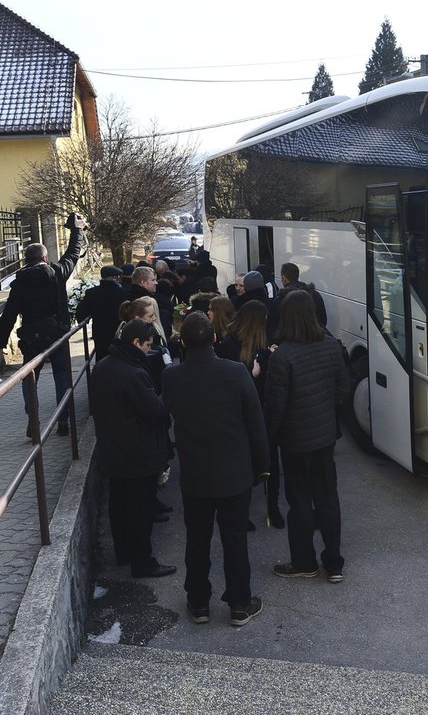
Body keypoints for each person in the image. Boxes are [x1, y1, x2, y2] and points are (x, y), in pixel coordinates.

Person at [161, 312, 268, 626]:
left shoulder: (171, 377)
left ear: (182, 343)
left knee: (197, 540)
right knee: (235, 540)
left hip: (195, 474)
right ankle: (239, 603)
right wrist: (263, 467)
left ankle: (198, 603)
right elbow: (255, 422)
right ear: (215, 339)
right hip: (234, 473)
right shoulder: (236, 372)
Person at [264, 290, 350, 583]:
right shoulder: (330, 345)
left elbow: (275, 405)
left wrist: (268, 440)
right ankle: (334, 562)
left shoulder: (282, 355)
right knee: (328, 499)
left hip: (295, 441)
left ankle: (304, 561)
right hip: (325, 437)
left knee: (300, 502)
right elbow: (342, 390)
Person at [90, 319, 175, 579]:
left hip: (112, 449)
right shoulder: (134, 373)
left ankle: (124, 552)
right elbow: (156, 410)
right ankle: (142, 562)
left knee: (119, 505)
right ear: (136, 342)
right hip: (138, 453)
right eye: (148, 345)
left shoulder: (103, 366)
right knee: (140, 510)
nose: (150, 350)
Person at [0, 214, 85, 437]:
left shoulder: (19, 283)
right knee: (62, 375)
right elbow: (73, 254)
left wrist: (1, 341)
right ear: (45, 257)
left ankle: (33, 422)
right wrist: (77, 230)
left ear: (26, 259)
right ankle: (62, 420)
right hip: (57, 334)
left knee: (29, 378)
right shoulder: (57, 273)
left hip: (31, 337)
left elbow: (9, 314)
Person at [216, 299, 282, 528]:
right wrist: (254, 367)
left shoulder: (258, 343)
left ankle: (272, 508)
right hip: (241, 412)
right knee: (244, 463)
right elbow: (228, 379)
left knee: (270, 460)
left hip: (261, 408)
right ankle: (241, 514)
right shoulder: (228, 345)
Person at [75, 265, 129, 362]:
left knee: (101, 357)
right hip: (118, 330)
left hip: (100, 332)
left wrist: (82, 321)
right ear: (114, 277)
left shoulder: (91, 293)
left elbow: (81, 312)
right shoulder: (122, 292)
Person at [278, 262, 328, 328]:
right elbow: (323, 320)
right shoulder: (315, 294)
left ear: (284, 279)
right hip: (315, 335)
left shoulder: (281, 298)